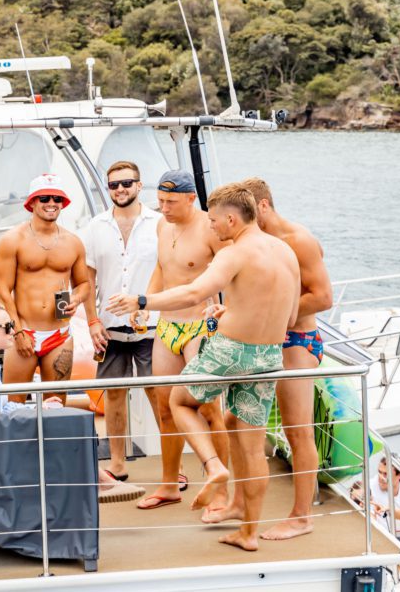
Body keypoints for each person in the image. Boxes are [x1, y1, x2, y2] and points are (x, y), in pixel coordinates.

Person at [108, 183, 300, 551]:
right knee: (249, 441)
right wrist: (233, 310)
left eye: (214, 221)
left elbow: (194, 293)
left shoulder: (235, 253)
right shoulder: (285, 252)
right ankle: (248, 534)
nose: (211, 227)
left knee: (179, 402)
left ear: (231, 218)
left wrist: (141, 299)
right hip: (269, 356)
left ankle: (213, 466)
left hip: (231, 351)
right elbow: (289, 316)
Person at [218, 177, 330, 541]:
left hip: (296, 341)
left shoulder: (298, 241)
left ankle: (302, 516)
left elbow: (324, 297)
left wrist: (281, 315)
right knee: (234, 418)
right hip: (266, 343)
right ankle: (238, 501)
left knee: (298, 430)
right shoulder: (252, 243)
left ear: (263, 205)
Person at [0, 302, 146, 504]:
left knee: (64, 422)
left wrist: (37, 408)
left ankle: (100, 482)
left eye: (13, 325)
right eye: (7, 327)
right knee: (67, 426)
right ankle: (99, 483)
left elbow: (3, 406)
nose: (13, 331)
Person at [131, 169, 230, 513]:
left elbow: (234, 271)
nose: (163, 208)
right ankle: (170, 484)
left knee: (208, 409)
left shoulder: (211, 229)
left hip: (200, 327)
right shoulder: (162, 225)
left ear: (191, 199)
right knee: (163, 407)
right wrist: (145, 303)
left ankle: (221, 492)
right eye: (159, 201)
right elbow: (162, 268)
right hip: (167, 326)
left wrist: (225, 308)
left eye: (171, 202)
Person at [82, 161, 161, 481]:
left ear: (139, 185)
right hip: (110, 325)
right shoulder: (94, 227)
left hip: (152, 324)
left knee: (161, 396)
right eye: (114, 185)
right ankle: (117, 463)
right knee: (114, 395)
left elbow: (167, 270)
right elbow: (86, 280)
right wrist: (92, 322)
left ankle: (175, 465)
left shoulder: (159, 223)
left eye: (127, 183)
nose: (120, 190)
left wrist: (150, 303)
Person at [0, 174, 89, 404]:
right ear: (32, 202)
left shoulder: (73, 242)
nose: (51, 203)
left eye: (57, 198)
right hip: (23, 331)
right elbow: (2, 290)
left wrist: (76, 299)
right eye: (44, 198)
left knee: (57, 407)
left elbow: (84, 284)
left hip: (60, 335)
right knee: (13, 407)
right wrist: (17, 332)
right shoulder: (13, 239)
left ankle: (54, 442)